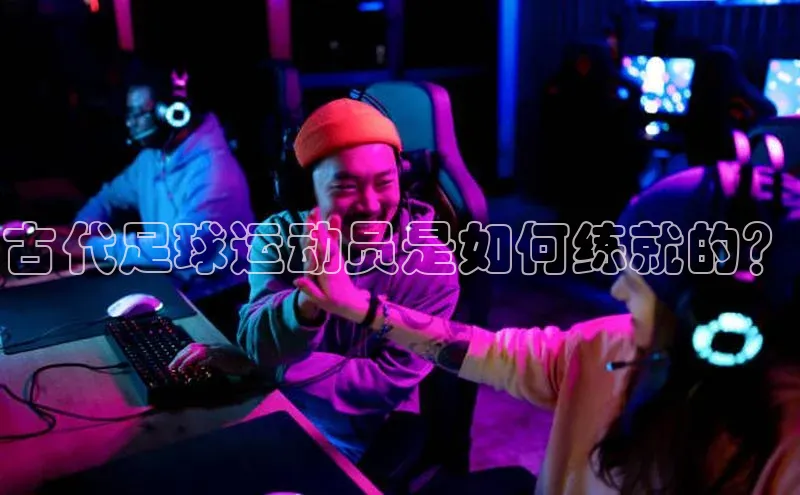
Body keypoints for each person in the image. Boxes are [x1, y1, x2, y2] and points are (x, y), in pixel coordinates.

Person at [288, 162, 800, 493]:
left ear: (706, 316)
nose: (617, 291)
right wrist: (361, 307)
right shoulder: (612, 344)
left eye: (635, 281)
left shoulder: (788, 451)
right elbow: (492, 354)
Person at [171, 97, 461, 464]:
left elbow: (385, 382)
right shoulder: (277, 235)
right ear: (307, 190)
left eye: (384, 182)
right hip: (275, 404)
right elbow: (256, 340)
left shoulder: (431, 265)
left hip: (358, 438)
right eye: (346, 186)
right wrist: (306, 304)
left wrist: (263, 368)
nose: (371, 205)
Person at [71, 63, 255, 333]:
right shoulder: (153, 157)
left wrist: (90, 246)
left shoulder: (215, 171)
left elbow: (179, 249)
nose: (129, 122)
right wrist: (80, 231)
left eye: (138, 113)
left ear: (172, 113)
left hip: (219, 305)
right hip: (174, 288)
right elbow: (108, 198)